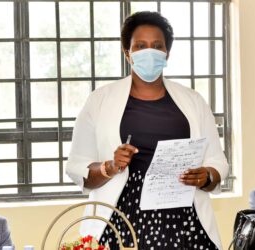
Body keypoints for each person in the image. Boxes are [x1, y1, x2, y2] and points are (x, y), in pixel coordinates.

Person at [66, 11, 228, 250]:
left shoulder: (192, 100)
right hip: (122, 219)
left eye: (157, 46)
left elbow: (218, 161)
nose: (149, 52)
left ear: (167, 54)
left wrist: (206, 176)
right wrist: (109, 167)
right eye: (140, 46)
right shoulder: (99, 100)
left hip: (184, 220)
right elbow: (77, 166)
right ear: (127, 53)